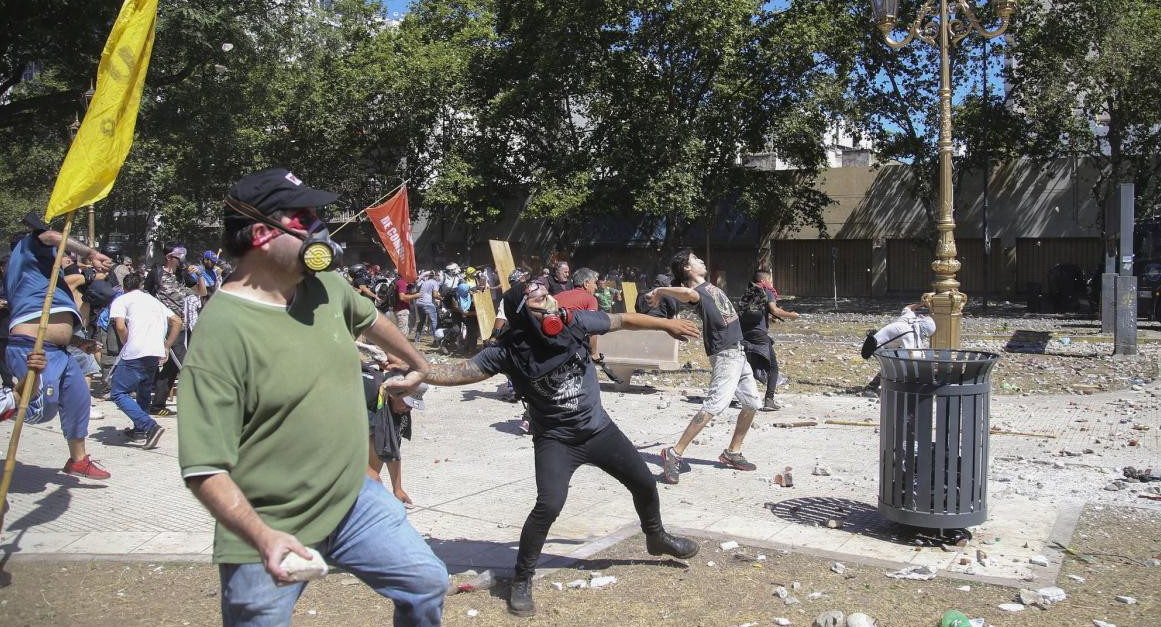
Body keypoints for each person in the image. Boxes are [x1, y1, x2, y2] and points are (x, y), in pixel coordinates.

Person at [178, 167, 445, 626]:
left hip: (351, 497)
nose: (321, 230)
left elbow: (367, 317)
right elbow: (204, 469)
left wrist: (418, 363)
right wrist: (263, 539)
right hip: (268, 522)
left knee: (426, 582)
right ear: (262, 233)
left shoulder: (324, 286)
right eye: (305, 218)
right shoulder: (220, 334)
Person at [423, 279, 702, 616]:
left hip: (599, 430)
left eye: (546, 295)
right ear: (523, 315)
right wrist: (418, 371)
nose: (549, 303)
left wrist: (667, 325)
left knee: (643, 482)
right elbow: (460, 370)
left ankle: (655, 537)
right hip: (556, 439)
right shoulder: (510, 350)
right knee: (549, 505)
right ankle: (521, 578)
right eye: (538, 301)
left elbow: (623, 319)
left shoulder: (574, 321)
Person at [5, 213, 112, 479]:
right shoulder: (27, 249)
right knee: (40, 410)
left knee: (79, 401)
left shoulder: (48, 277)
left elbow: (53, 319)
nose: (66, 257)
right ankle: (5, 406)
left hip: (61, 352)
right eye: (62, 253)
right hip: (32, 348)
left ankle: (78, 460)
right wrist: (91, 252)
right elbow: (52, 236)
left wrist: (77, 341)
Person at [646, 248, 762, 484]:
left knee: (752, 403)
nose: (700, 260)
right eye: (695, 259)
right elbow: (686, 293)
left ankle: (732, 452)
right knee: (715, 405)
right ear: (687, 268)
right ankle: (675, 453)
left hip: (738, 351)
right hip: (726, 353)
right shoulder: (696, 292)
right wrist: (660, 290)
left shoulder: (709, 287)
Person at [109, 273, 182, 448]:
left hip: (135, 351)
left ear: (125, 287)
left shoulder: (122, 299)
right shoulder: (153, 300)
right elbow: (177, 321)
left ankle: (150, 426)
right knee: (143, 391)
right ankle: (140, 430)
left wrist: (127, 341)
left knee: (118, 392)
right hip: (154, 351)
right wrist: (167, 345)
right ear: (141, 285)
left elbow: (120, 326)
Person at [149, 244, 203, 416]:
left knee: (172, 367)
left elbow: (201, 292)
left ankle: (157, 405)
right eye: (179, 255)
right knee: (183, 362)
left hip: (181, 326)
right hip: (165, 326)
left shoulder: (183, 275)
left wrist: (199, 275)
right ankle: (196, 403)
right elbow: (146, 296)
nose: (183, 258)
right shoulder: (156, 274)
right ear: (169, 257)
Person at [363, 367, 427, 507]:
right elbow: (341, 439)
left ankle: (365, 489)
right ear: (393, 393)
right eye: (406, 404)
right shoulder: (367, 392)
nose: (408, 410)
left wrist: (397, 489)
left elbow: (392, 449)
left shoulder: (398, 409)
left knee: (380, 441)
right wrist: (366, 471)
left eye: (411, 407)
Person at [739, 270, 798, 411]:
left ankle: (741, 397)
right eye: (770, 280)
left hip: (745, 333)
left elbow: (754, 313)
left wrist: (769, 319)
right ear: (765, 281)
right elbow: (774, 309)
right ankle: (769, 400)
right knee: (773, 368)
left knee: (748, 367)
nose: (771, 283)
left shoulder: (748, 293)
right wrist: (791, 315)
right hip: (759, 335)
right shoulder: (767, 291)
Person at [861, 301, 936, 390]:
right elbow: (912, 357)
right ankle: (872, 387)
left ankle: (880, 385)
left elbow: (908, 308)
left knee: (895, 362)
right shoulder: (910, 333)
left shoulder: (909, 318)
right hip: (877, 347)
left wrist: (921, 303)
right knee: (895, 365)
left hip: (877, 343)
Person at [412, 270, 442, 344]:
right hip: (428, 303)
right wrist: (442, 298)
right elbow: (435, 295)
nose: (439, 277)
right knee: (434, 322)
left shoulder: (424, 282)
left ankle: (417, 339)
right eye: (438, 275)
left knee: (421, 321)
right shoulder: (435, 283)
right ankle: (436, 340)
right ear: (435, 276)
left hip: (419, 303)